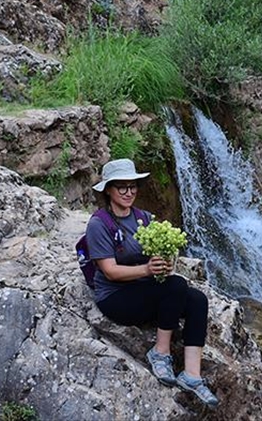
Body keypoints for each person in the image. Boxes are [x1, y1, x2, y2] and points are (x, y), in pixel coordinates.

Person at [85, 158, 219, 408]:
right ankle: (160, 353)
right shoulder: (99, 224)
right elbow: (110, 271)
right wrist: (147, 269)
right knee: (176, 286)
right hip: (116, 298)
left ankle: (192, 375)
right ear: (108, 190)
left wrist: (164, 262)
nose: (129, 192)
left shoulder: (144, 218)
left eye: (132, 186)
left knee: (197, 300)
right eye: (121, 187)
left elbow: (157, 257)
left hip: (144, 291)